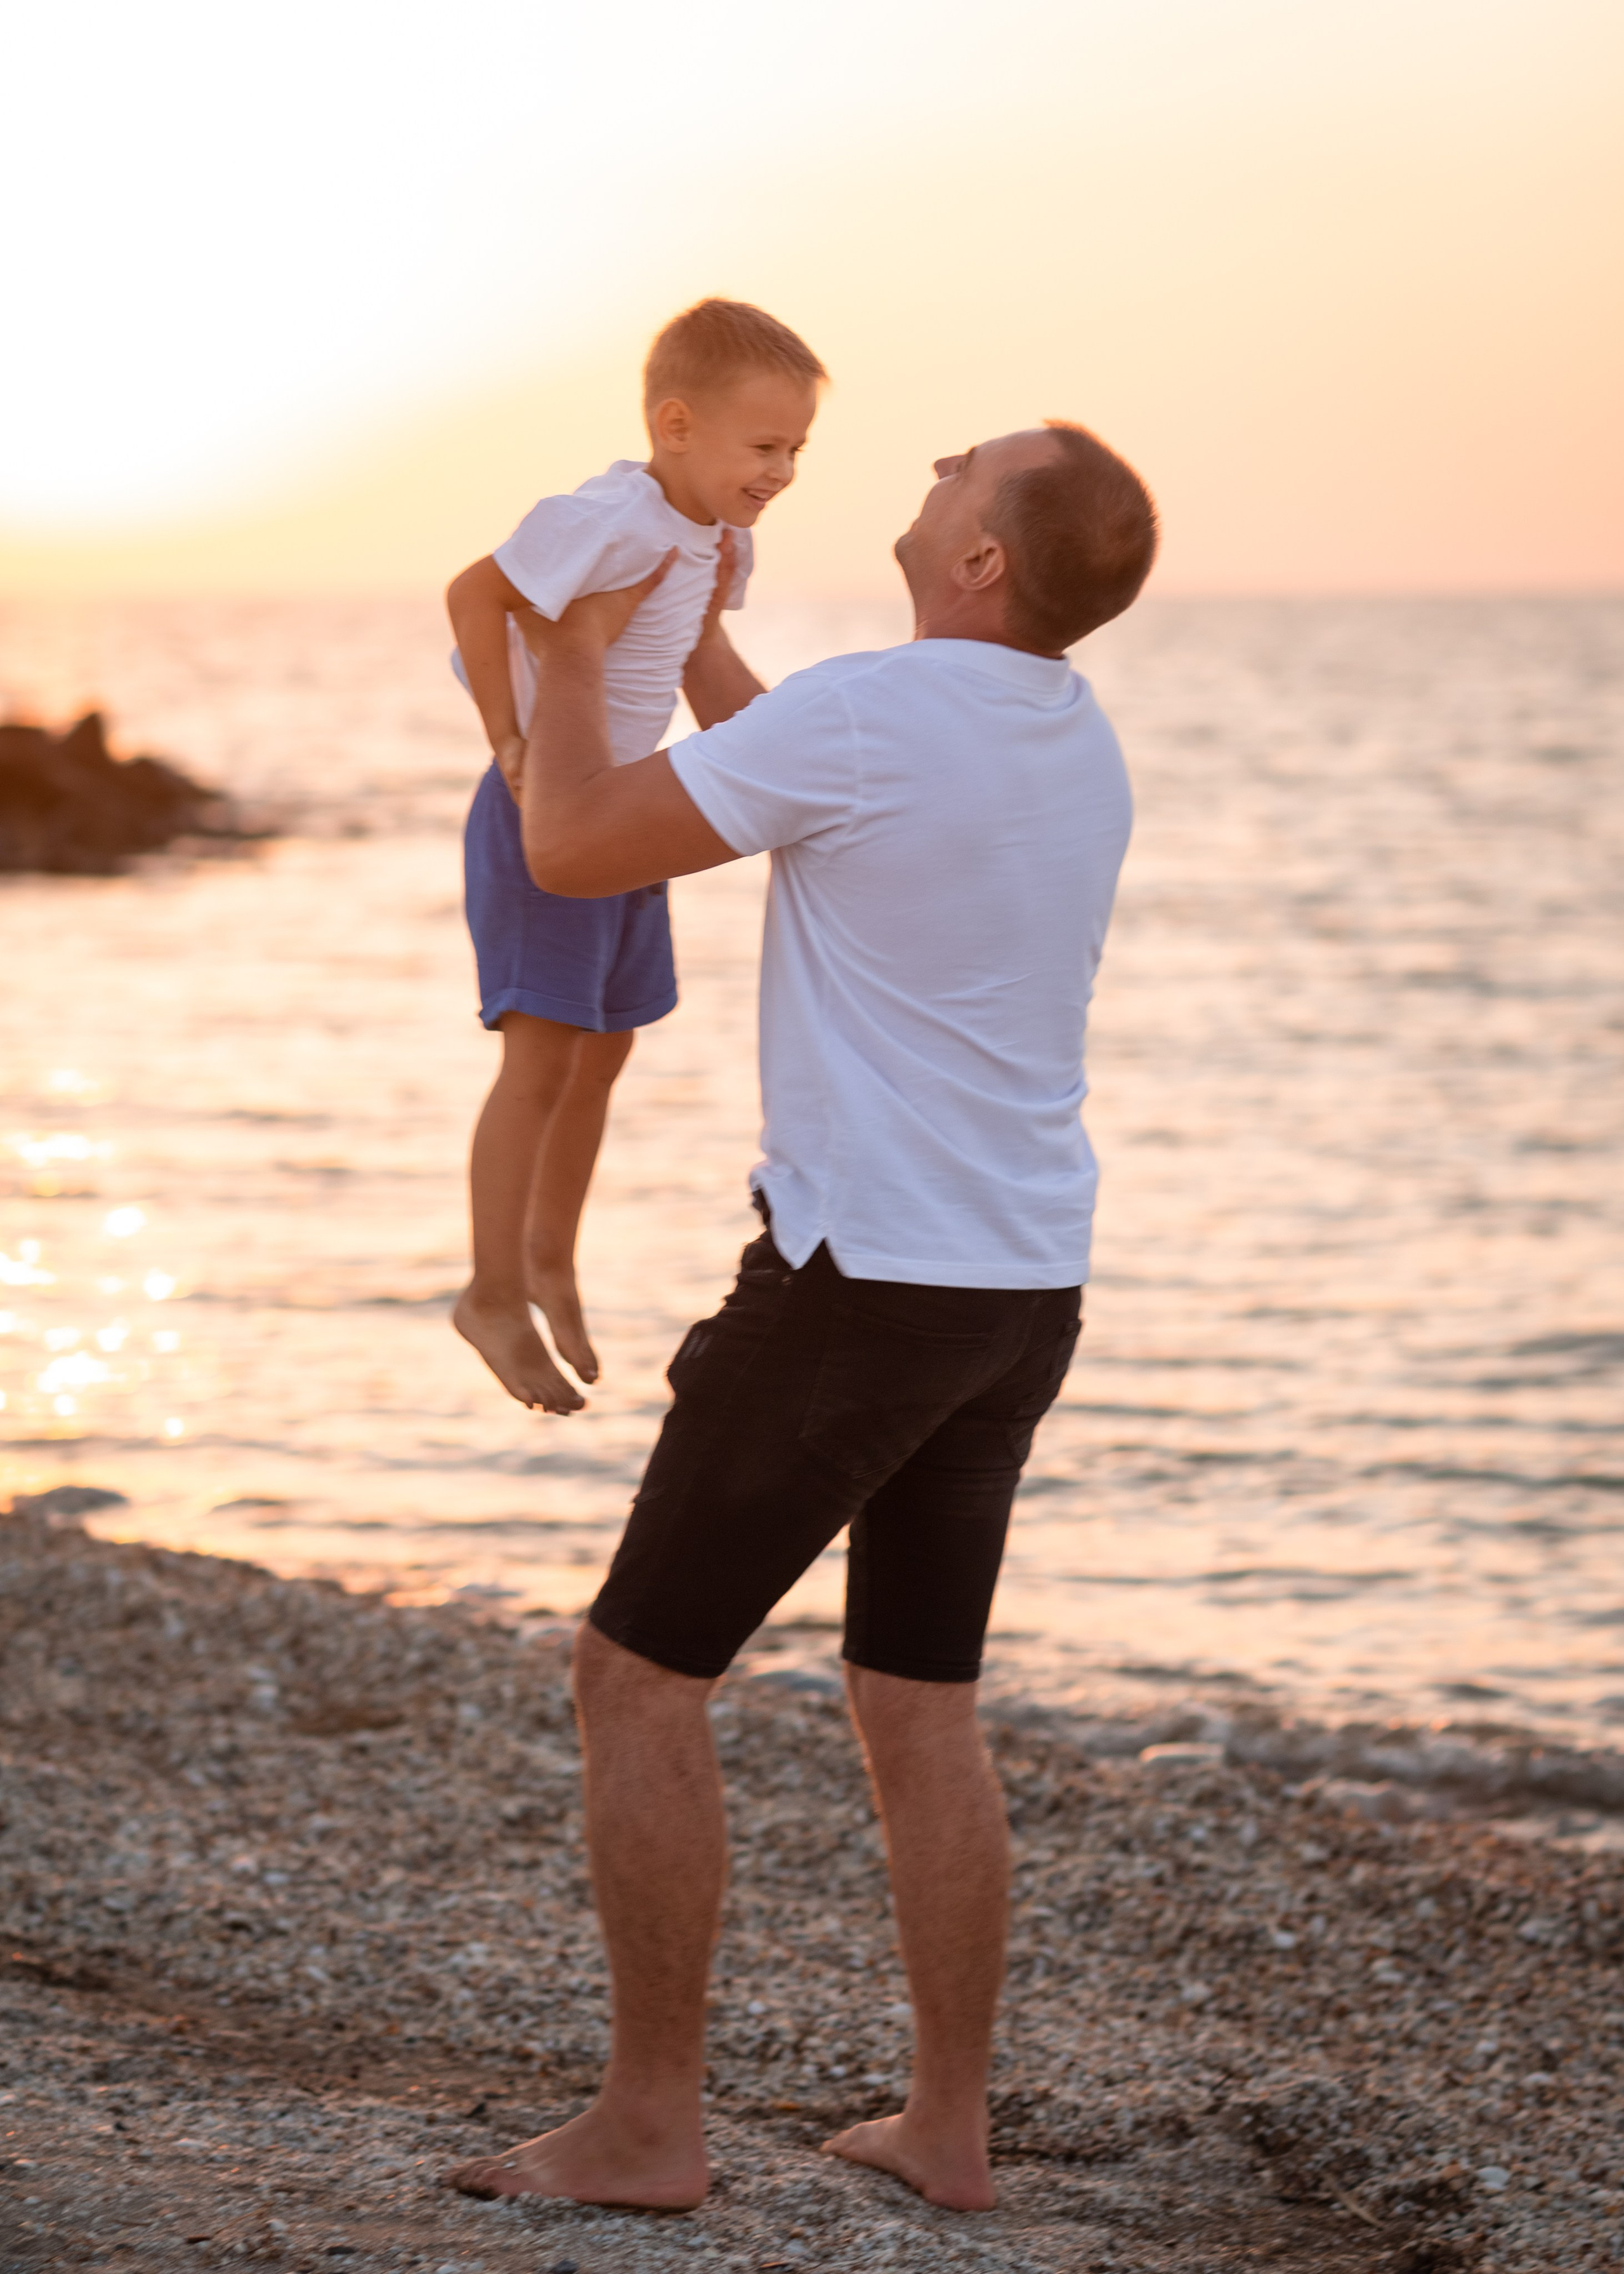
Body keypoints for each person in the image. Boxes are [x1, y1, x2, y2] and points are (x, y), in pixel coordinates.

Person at [444, 419, 1158, 2214]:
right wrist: (690, 642)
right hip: (1019, 1286)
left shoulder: (870, 715)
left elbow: (590, 849)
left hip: (860, 1285)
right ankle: (950, 2128)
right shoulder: (1064, 737)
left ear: (985, 557)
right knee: (921, 1701)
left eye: (959, 472)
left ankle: (650, 2126)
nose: (927, 473)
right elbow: (798, 771)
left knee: (638, 1676)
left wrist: (554, 670)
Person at [446, 298, 825, 1415]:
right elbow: (477, 593)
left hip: (628, 810)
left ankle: (552, 1258)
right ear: (675, 426)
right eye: (766, 448)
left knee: (604, 1052)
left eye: (797, 450)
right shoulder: (608, 516)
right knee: (542, 1058)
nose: (783, 472)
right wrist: (507, 741)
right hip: (544, 808)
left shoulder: (717, 537)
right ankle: (491, 1291)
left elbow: (696, 663)